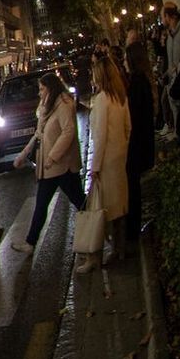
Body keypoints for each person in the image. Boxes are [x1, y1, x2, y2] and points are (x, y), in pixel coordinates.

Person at [12, 73, 86, 254]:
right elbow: (39, 134)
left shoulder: (64, 104)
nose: (39, 93)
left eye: (42, 89)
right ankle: (30, 243)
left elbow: (68, 132)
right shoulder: (46, 107)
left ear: (51, 88)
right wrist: (23, 154)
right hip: (50, 167)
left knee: (80, 202)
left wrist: (52, 156)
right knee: (42, 203)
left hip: (63, 165)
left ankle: (99, 231)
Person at [81, 54, 132, 274]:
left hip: (106, 161)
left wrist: (95, 167)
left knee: (101, 210)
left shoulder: (102, 100)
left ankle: (96, 255)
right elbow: (128, 127)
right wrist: (122, 147)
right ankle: (119, 248)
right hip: (120, 156)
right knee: (119, 206)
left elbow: (99, 137)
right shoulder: (120, 96)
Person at [122, 28, 157, 242]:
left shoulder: (136, 83)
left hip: (137, 143)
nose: (124, 62)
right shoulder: (143, 80)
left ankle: (132, 232)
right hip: (143, 140)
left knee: (132, 187)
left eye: (126, 59)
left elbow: (134, 116)